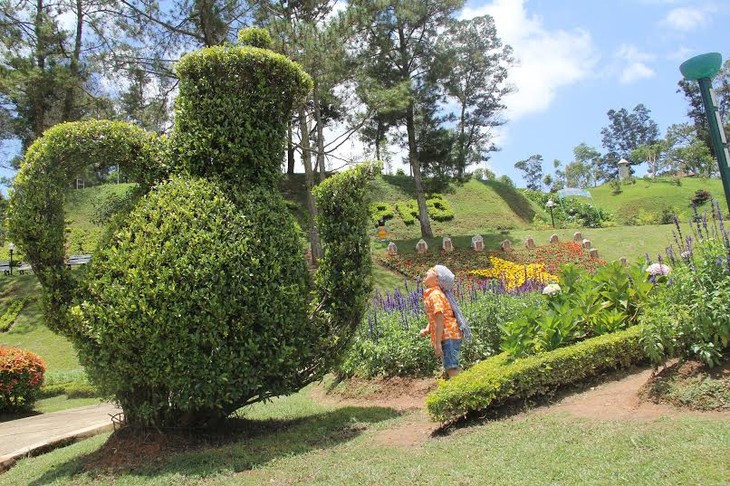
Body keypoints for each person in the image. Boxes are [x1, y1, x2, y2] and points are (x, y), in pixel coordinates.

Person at [419, 265, 472, 378]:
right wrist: (427, 329)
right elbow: (436, 317)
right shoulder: (433, 294)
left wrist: (437, 343)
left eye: (432, 270)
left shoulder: (435, 295)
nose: (428, 270)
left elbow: (440, 319)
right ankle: (457, 382)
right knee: (449, 365)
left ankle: (460, 389)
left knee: (451, 367)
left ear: (437, 280)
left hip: (448, 336)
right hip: (449, 335)